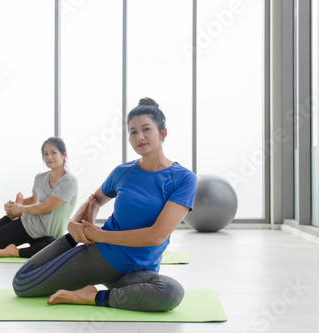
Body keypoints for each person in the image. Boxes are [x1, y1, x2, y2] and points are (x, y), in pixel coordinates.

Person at [11, 97, 198, 312]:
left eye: (146, 129)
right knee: (22, 283)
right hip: (100, 257)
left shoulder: (184, 179)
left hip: (139, 270)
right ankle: (73, 245)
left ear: (162, 133)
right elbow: (95, 198)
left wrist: (100, 234)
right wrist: (75, 226)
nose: (139, 136)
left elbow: (156, 236)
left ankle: (93, 297)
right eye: (133, 132)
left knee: (171, 292)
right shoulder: (123, 172)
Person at [0, 137, 78, 259]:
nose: (49, 157)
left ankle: (14, 252)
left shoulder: (69, 182)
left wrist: (20, 208)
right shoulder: (40, 178)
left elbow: (46, 207)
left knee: (56, 249)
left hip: (47, 235)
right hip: (27, 226)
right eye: (45, 154)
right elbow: (34, 200)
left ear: (64, 154)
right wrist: (14, 208)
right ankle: (9, 218)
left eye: (53, 153)